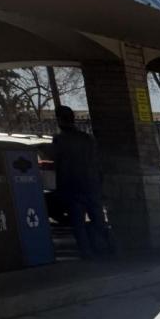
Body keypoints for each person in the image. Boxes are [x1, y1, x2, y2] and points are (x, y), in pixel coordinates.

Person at [52, 106, 113, 257]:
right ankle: (106, 249)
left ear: (59, 120)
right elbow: (97, 163)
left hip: (73, 187)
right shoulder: (86, 139)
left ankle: (87, 252)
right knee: (98, 220)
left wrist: (60, 189)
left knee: (78, 223)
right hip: (91, 185)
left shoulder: (60, 140)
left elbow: (60, 166)